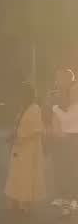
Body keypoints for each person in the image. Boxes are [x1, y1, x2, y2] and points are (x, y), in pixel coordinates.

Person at [6, 83, 46, 214]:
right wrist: (13, 135)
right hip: (18, 146)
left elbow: (36, 130)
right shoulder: (23, 108)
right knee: (16, 174)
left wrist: (21, 138)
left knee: (27, 175)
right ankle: (15, 199)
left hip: (29, 148)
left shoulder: (35, 109)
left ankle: (26, 202)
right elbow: (18, 125)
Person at [45, 68, 75, 207]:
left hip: (72, 140)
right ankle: (65, 200)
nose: (57, 81)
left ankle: (69, 199)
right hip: (58, 140)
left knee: (70, 170)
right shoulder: (52, 96)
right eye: (57, 78)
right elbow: (46, 116)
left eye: (60, 78)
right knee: (60, 170)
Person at [51, 79, 78, 216]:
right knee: (64, 175)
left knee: (74, 175)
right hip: (64, 145)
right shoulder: (58, 108)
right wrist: (63, 135)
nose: (75, 93)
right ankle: (66, 205)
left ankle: (72, 201)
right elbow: (55, 128)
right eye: (73, 91)